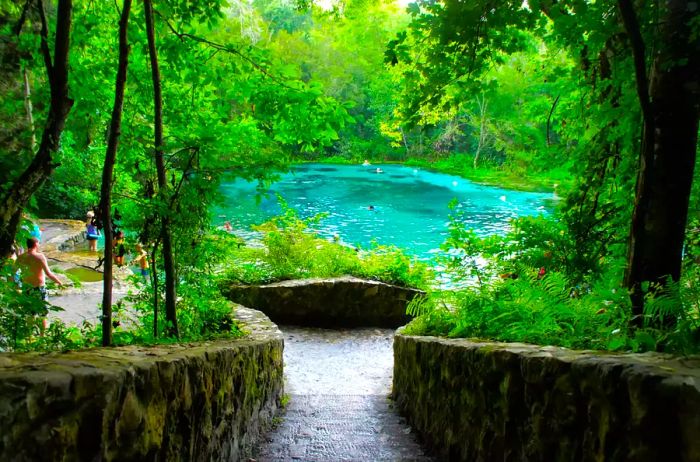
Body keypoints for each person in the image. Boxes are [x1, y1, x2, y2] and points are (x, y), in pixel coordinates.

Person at [15, 238, 62, 331]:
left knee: (29, 314)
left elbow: (13, 272)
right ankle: (42, 336)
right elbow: (49, 274)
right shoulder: (40, 257)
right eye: (38, 243)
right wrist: (59, 282)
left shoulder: (20, 258)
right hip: (39, 288)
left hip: (26, 288)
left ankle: (29, 337)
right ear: (36, 244)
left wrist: (15, 286)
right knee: (43, 314)